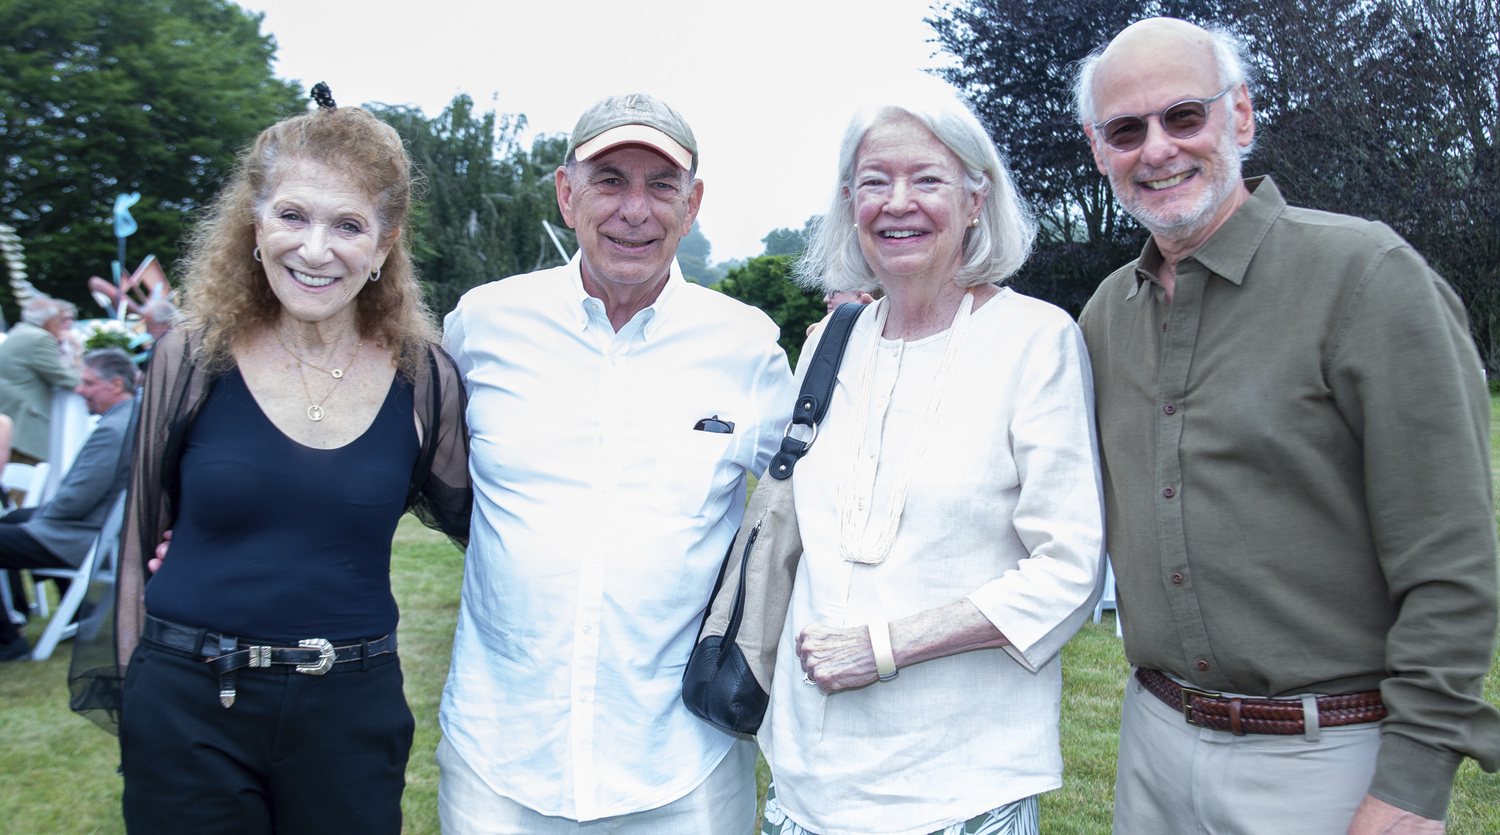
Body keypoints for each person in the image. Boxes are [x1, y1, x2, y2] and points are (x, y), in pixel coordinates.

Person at [1074, 18, 1500, 835]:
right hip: (1151, 751)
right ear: (1099, 151)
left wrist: (1412, 784)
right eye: (1127, 129)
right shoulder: (1103, 318)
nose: (1156, 148)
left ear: (1241, 116)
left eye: (1184, 116)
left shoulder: (1367, 278)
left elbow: (1451, 564)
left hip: (1326, 762)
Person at [102, 89, 471, 834]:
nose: (314, 248)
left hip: (350, 716)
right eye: (292, 215)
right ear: (255, 219)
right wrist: (138, 699)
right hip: (188, 705)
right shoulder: (192, 356)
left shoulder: (423, 377)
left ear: (384, 242)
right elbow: (141, 534)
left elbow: (493, 522)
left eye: (348, 224)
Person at [438, 93, 796, 834]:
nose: (635, 208)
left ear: (692, 205)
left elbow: (815, 502)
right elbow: (397, 460)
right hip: (497, 757)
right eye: (610, 180)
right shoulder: (483, 323)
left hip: (683, 762)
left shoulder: (746, 345)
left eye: (661, 185)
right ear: (567, 194)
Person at [756, 91, 1106, 835]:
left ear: (978, 199)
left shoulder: (1035, 341)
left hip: (962, 784)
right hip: (809, 782)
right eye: (874, 181)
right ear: (849, 203)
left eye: (928, 179)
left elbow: (1070, 570)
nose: (898, 203)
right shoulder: (829, 342)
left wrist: (883, 646)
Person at [0, 348, 137, 661]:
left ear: (116, 385)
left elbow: (74, 501)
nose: (79, 390)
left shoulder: (113, 430)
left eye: (88, 383)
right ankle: (68, 610)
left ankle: (7, 640)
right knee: (13, 519)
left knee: (16, 525)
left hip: (86, 538)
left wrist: (37, 521)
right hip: (103, 529)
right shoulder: (136, 414)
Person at [0, 295, 80, 465]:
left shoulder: (20, 331)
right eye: (60, 320)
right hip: (25, 427)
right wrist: (78, 353)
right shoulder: (40, 339)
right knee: (22, 485)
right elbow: (68, 380)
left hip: (12, 420)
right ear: (50, 322)